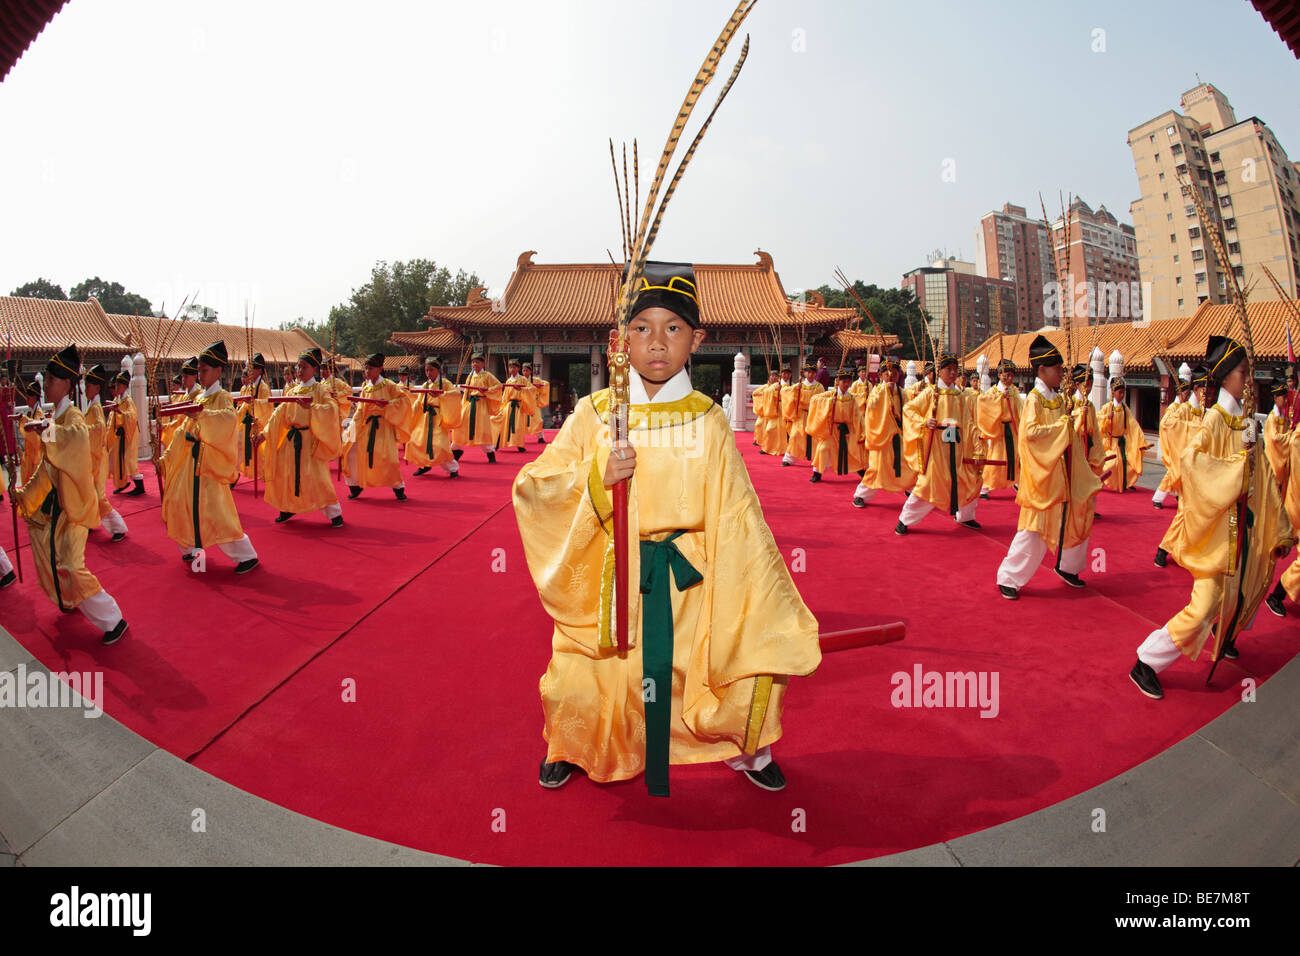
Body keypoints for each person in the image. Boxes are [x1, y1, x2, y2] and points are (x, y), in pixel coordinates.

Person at [514, 262, 821, 795]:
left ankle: (743, 749)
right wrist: (594, 479)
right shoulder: (596, 412)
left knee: (708, 667)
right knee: (588, 676)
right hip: (612, 577)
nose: (657, 343)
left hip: (689, 584)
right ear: (619, 340)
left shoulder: (708, 418)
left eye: (673, 328)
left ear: (696, 340)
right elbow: (533, 486)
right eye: (642, 329)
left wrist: (764, 608)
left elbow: (738, 516)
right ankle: (573, 743)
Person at [1130, 336, 1291, 699]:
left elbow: (1263, 474)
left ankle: (1226, 632)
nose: (1248, 381)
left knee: (1243, 589)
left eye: (1249, 374)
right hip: (1218, 531)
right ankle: (1146, 661)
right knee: (1203, 606)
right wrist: (1237, 468)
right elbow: (1192, 464)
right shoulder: (1215, 421)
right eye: (1242, 373)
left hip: (1241, 529)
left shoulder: (1246, 423)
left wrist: (1279, 528)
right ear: (1224, 377)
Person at [12, 345, 128, 645]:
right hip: (58, 505)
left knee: (71, 564)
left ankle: (113, 619)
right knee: (58, 557)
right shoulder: (56, 417)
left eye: (51, 379)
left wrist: (46, 430)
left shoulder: (73, 417)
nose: (46, 384)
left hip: (74, 503)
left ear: (66, 383)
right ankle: (70, 599)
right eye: (47, 379)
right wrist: (24, 495)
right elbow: (47, 470)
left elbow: (75, 442)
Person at [994, 336, 1102, 600]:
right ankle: (1009, 576)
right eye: (1058, 369)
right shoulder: (1034, 400)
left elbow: (1068, 434)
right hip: (1044, 476)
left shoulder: (1058, 398)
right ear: (1042, 370)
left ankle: (1068, 567)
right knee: (1035, 529)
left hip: (1065, 472)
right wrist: (1063, 426)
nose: (1062, 374)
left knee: (1079, 513)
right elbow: (1030, 434)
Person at [160, 341, 259, 573]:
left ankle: (247, 555)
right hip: (190, 464)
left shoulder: (222, 397)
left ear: (218, 371)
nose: (200, 375)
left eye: (204, 370)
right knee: (182, 505)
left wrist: (201, 417)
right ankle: (193, 553)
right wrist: (166, 458)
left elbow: (227, 420)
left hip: (208, 466)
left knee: (216, 512)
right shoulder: (200, 398)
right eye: (199, 371)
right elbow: (183, 431)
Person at [255, 347, 344, 527]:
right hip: (291, 440)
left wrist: (311, 408)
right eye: (298, 367)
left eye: (304, 367)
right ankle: (287, 507)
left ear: (314, 369)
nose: (299, 370)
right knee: (285, 474)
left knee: (316, 478)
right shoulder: (292, 391)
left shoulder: (320, 390)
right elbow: (279, 415)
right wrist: (264, 434)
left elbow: (332, 409)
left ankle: (334, 512)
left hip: (309, 441)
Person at [894, 352, 981, 534]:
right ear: (939, 371)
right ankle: (905, 519)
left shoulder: (959, 396)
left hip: (956, 447)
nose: (952, 373)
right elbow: (909, 409)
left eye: (955, 370)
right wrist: (925, 421)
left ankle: (966, 515)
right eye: (948, 369)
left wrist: (978, 449)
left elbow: (969, 423)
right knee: (928, 484)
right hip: (936, 447)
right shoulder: (930, 393)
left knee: (967, 480)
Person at [1154, 367, 1208, 569]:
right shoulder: (1183, 410)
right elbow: (1167, 425)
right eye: (1204, 389)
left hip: (1201, 473)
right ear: (1196, 389)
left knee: (1195, 515)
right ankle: (1163, 549)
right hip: (1187, 472)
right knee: (1185, 514)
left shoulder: (1204, 412)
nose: (1207, 393)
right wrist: (1197, 431)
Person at [341, 353, 412, 500]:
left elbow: (404, 401)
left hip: (383, 426)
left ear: (379, 369)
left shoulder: (389, 385)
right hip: (366, 426)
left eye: (370, 369)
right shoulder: (365, 387)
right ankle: (355, 484)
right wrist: (352, 427)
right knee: (352, 452)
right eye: (366, 369)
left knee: (388, 459)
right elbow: (361, 409)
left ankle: (398, 487)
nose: (367, 372)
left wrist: (387, 405)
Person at [853, 356, 913, 508]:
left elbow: (908, 411)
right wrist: (885, 394)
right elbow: (872, 410)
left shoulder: (902, 392)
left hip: (899, 436)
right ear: (881, 375)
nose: (891, 376)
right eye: (887, 373)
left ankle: (911, 490)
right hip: (883, 437)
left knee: (906, 465)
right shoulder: (877, 392)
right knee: (877, 468)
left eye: (894, 373)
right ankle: (861, 495)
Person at [81, 365, 130, 543]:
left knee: (98, 496)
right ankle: (89, 522)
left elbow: (99, 430)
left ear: (96, 388)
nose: (85, 390)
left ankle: (118, 527)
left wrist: (81, 429)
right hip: (93, 457)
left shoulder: (94, 408)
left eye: (88, 386)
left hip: (97, 458)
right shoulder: (92, 406)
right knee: (89, 493)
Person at [806, 367, 866, 484]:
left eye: (849, 382)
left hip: (846, 431)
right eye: (844, 382)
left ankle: (860, 471)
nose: (847, 384)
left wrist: (862, 430)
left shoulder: (851, 398)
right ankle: (817, 473)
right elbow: (814, 399)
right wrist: (829, 402)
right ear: (838, 382)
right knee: (823, 449)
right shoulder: (830, 394)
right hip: (831, 430)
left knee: (851, 451)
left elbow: (857, 416)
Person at [406, 357, 463, 478]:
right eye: (426, 370)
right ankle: (424, 465)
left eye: (431, 370)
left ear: (438, 370)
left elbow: (456, 394)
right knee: (418, 442)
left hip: (439, 418)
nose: (428, 373)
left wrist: (442, 394)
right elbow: (420, 402)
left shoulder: (445, 383)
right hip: (426, 418)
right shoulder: (425, 384)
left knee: (440, 446)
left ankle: (453, 468)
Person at [978, 359, 1023, 499]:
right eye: (1006, 375)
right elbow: (983, 403)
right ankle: (985, 487)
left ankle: (1018, 482)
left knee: (1016, 458)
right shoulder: (993, 392)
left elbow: (1020, 409)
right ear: (999, 375)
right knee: (996, 458)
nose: (1009, 378)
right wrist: (1000, 399)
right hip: (1000, 430)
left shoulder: (1014, 391)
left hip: (1013, 429)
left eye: (1011, 375)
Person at [451, 352, 502, 463]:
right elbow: (467, 392)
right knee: (460, 427)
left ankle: (490, 454)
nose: (475, 364)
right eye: (473, 362)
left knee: (482, 429)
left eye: (477, 362)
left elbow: (498, 386)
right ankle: (456, 450)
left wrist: (487, 390)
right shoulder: (470, 376)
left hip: (481, 405)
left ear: (483, 363)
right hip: (469, 405)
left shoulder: (487, 375)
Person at [1151, 377, 1194, 510]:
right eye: (1186, 394)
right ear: (1179, 393)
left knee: (1180, 472)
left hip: (1182, 445)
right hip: (1174, 445)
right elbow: (1166, 424)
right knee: (1173, 472)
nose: (1187, 397)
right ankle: (1158, 498)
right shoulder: (1173, 408)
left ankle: (1180, 494)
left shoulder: (1185, 408)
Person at [1098, 378, 1145, 492]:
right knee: (1111, 464)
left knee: (1129, 463)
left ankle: (1123, 484)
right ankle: (1100, 480)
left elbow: (1133, 425)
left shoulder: (1125, 409)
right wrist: (1106, 418)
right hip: (1110, 442)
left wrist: (1142, 442)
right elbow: (1097, 419)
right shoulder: (1107, 407)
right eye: (1120, 392)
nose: (1122, 395)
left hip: (1121, 443)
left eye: (1123, 392)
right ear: (1113, 393)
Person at [780, 362, 823, 466]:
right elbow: (784, 392)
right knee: (795, 435)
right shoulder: (799, 385)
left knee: (816, 437)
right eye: (808, 372)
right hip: (801, 415)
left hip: (814, 415)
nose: (811, 374)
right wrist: (795, 389)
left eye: (813, 372)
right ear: (804, 373)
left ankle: (818, 459)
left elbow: (823, 400)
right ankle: (789, 458)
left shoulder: (819, 387)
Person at [493, 358, 538, 453]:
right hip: (508, 405)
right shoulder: (509, 380)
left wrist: (521, 390)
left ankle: (519, 445)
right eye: (510, 368)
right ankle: (497, 444)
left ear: (518, 369)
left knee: (518, 426)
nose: (512, 370)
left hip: (518, 406)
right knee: (502, 424)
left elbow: (532, 389)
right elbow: (505, 395)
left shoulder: (522, 379)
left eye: (514, 368)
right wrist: (502, 406)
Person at [750, 368, 781, 454]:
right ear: (769, 377)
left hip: (775, 411)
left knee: (770, 430)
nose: (774, 378)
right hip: (765, 411)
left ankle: (769, 446)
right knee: (759, 424)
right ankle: (759, 440)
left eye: (776, 376)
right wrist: (765, 395)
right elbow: (755, 393)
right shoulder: (766, 387)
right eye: (772, 376)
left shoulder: (780, 386)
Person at [521, 362, 550, 445]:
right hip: (523, 403)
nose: (525, 372)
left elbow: (546, 384)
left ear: (530, 371)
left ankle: (540, 437)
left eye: (526, 371)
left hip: (534, 403)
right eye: (523, 371)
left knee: (538, 420)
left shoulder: (535, 380)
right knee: (521, 421)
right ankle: (519, 438)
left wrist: (540, 386)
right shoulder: (520, 380)